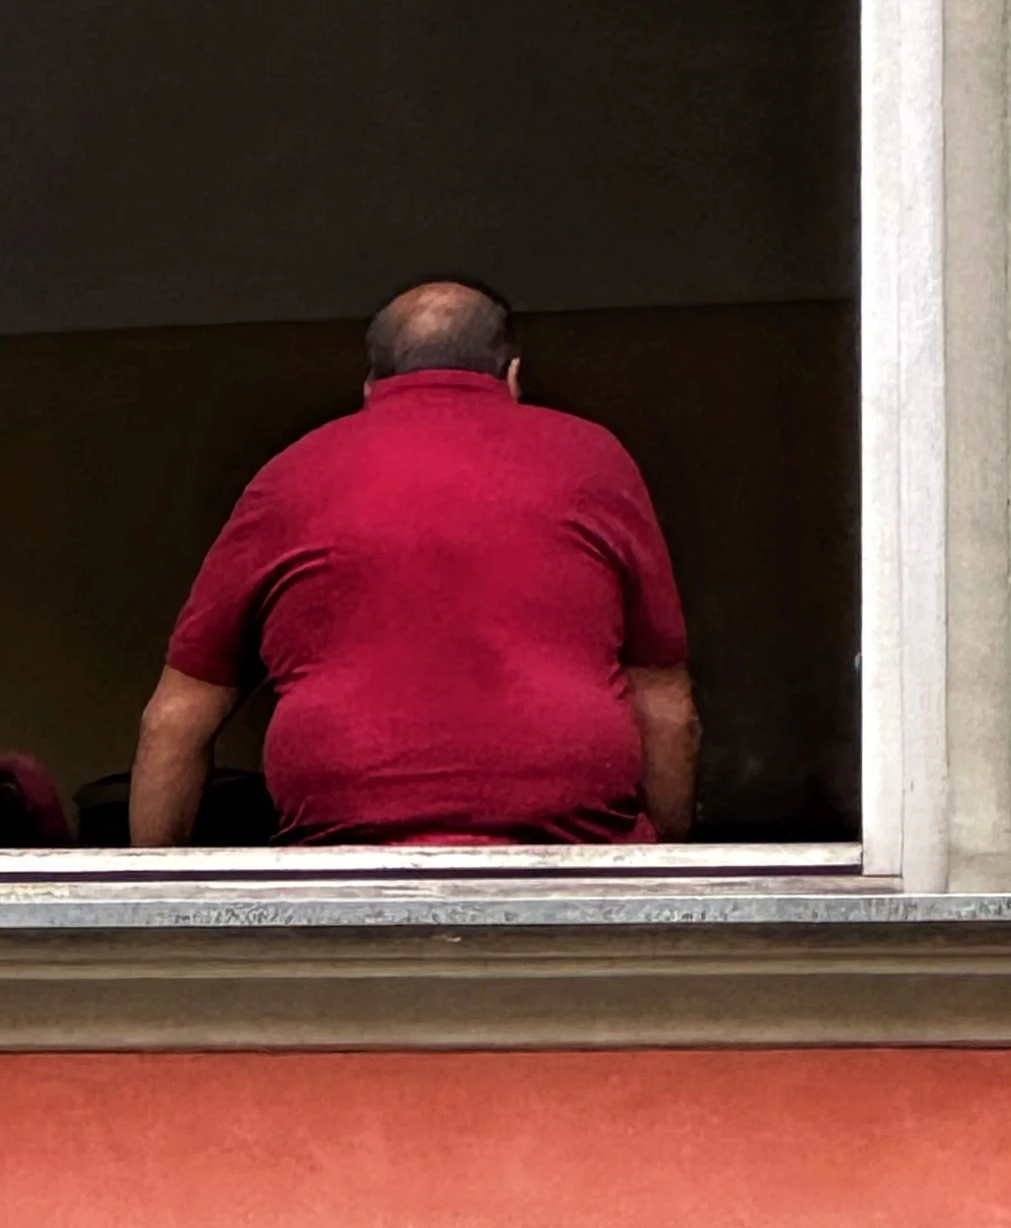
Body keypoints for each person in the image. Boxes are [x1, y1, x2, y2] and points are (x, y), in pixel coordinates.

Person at [130, 279, 698, 846]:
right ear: (512, 376)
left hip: (343, 852)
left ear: (370, 387)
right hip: (573, 847)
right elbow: (667, 707)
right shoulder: (594, 459)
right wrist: (668, 864)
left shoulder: (289, 475)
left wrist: (146, 889)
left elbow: (176, 718)